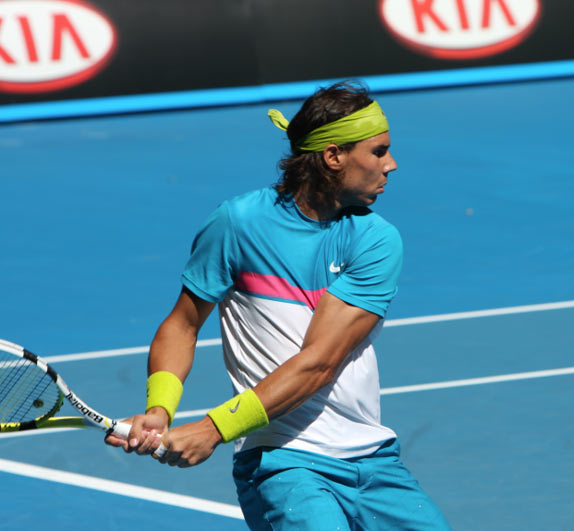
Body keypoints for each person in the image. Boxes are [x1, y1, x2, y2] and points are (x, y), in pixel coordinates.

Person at [106, 81, 451, 530]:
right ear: (333, 156)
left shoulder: (374, 241)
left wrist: (211, 429)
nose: (391, 164)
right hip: (284, 463)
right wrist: (160, 408)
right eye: (378, 151)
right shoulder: (237, 224)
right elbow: (183, 325)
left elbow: (319, 363)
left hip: (373, 460)